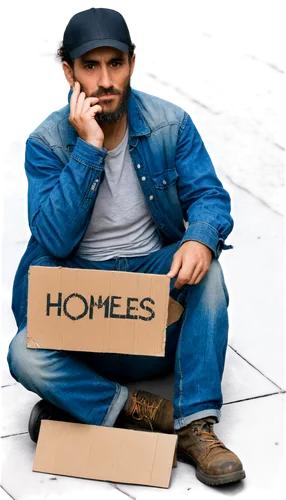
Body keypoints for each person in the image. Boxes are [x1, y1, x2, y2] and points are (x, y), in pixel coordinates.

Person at [4, 5, 244, 486]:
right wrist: (89, 148)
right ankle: (137, 409)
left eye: (115, 63)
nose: (105, 79)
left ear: (134, 63)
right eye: (90, 66)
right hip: (80, 309)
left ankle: (195, 425)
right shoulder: (46, 142)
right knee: (22, 355)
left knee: (211, 271)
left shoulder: (171, 123)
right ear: (67, 71)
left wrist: (198, 238)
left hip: (150, 301)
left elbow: (210, 197)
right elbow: (53, 238)